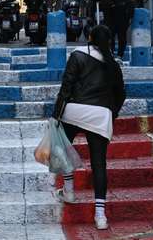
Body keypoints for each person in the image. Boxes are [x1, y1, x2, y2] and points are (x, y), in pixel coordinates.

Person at [52, 25, 126, 231]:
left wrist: (56, 116)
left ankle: (69, 190)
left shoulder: (77, 55)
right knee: (99, 164)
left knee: (62, 147)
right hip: (100, 114)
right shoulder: (113, 64)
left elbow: (66, 87)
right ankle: (100, 215)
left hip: (74, 110)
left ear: (90, 37)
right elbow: (121, 94)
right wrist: (112, 113)